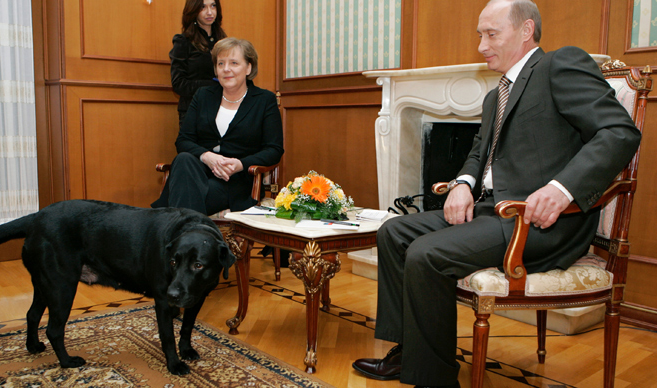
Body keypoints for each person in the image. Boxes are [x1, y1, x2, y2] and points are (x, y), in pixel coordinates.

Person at [352, 1, 641, 387]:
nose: (482, 45)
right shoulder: (495, 96)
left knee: (426, 253)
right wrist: (462, 184)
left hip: (539, 222)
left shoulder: (560, 65)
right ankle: (410, 353)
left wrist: (562, 189)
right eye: (480, 35)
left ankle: (434, 378)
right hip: (493, 212)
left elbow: (619, 132)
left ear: (525, 31)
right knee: (394, 232)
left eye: (491, 34)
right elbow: (479, 152)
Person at [152, 37, 284, 215]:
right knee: (184, 160)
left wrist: (240, 164)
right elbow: (183, 140)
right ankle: (191, 236)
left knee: (184, 194)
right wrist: (207, 156)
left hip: (236, 182)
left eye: (234, 63)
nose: (226, 69)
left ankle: (183, 235)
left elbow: (274, 149)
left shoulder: (264, 100)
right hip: (199, 174)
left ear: (249, 68)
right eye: (220, 63)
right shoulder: (203, 95)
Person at [170, 0, 227, 126]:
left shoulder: (224, 42)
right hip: (194, 110)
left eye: (213, 6)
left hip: (223, 109)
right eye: (202, 7)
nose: (209, 12)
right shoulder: (183, 41)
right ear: (193, 10)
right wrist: (213, 85)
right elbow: (178, 84)